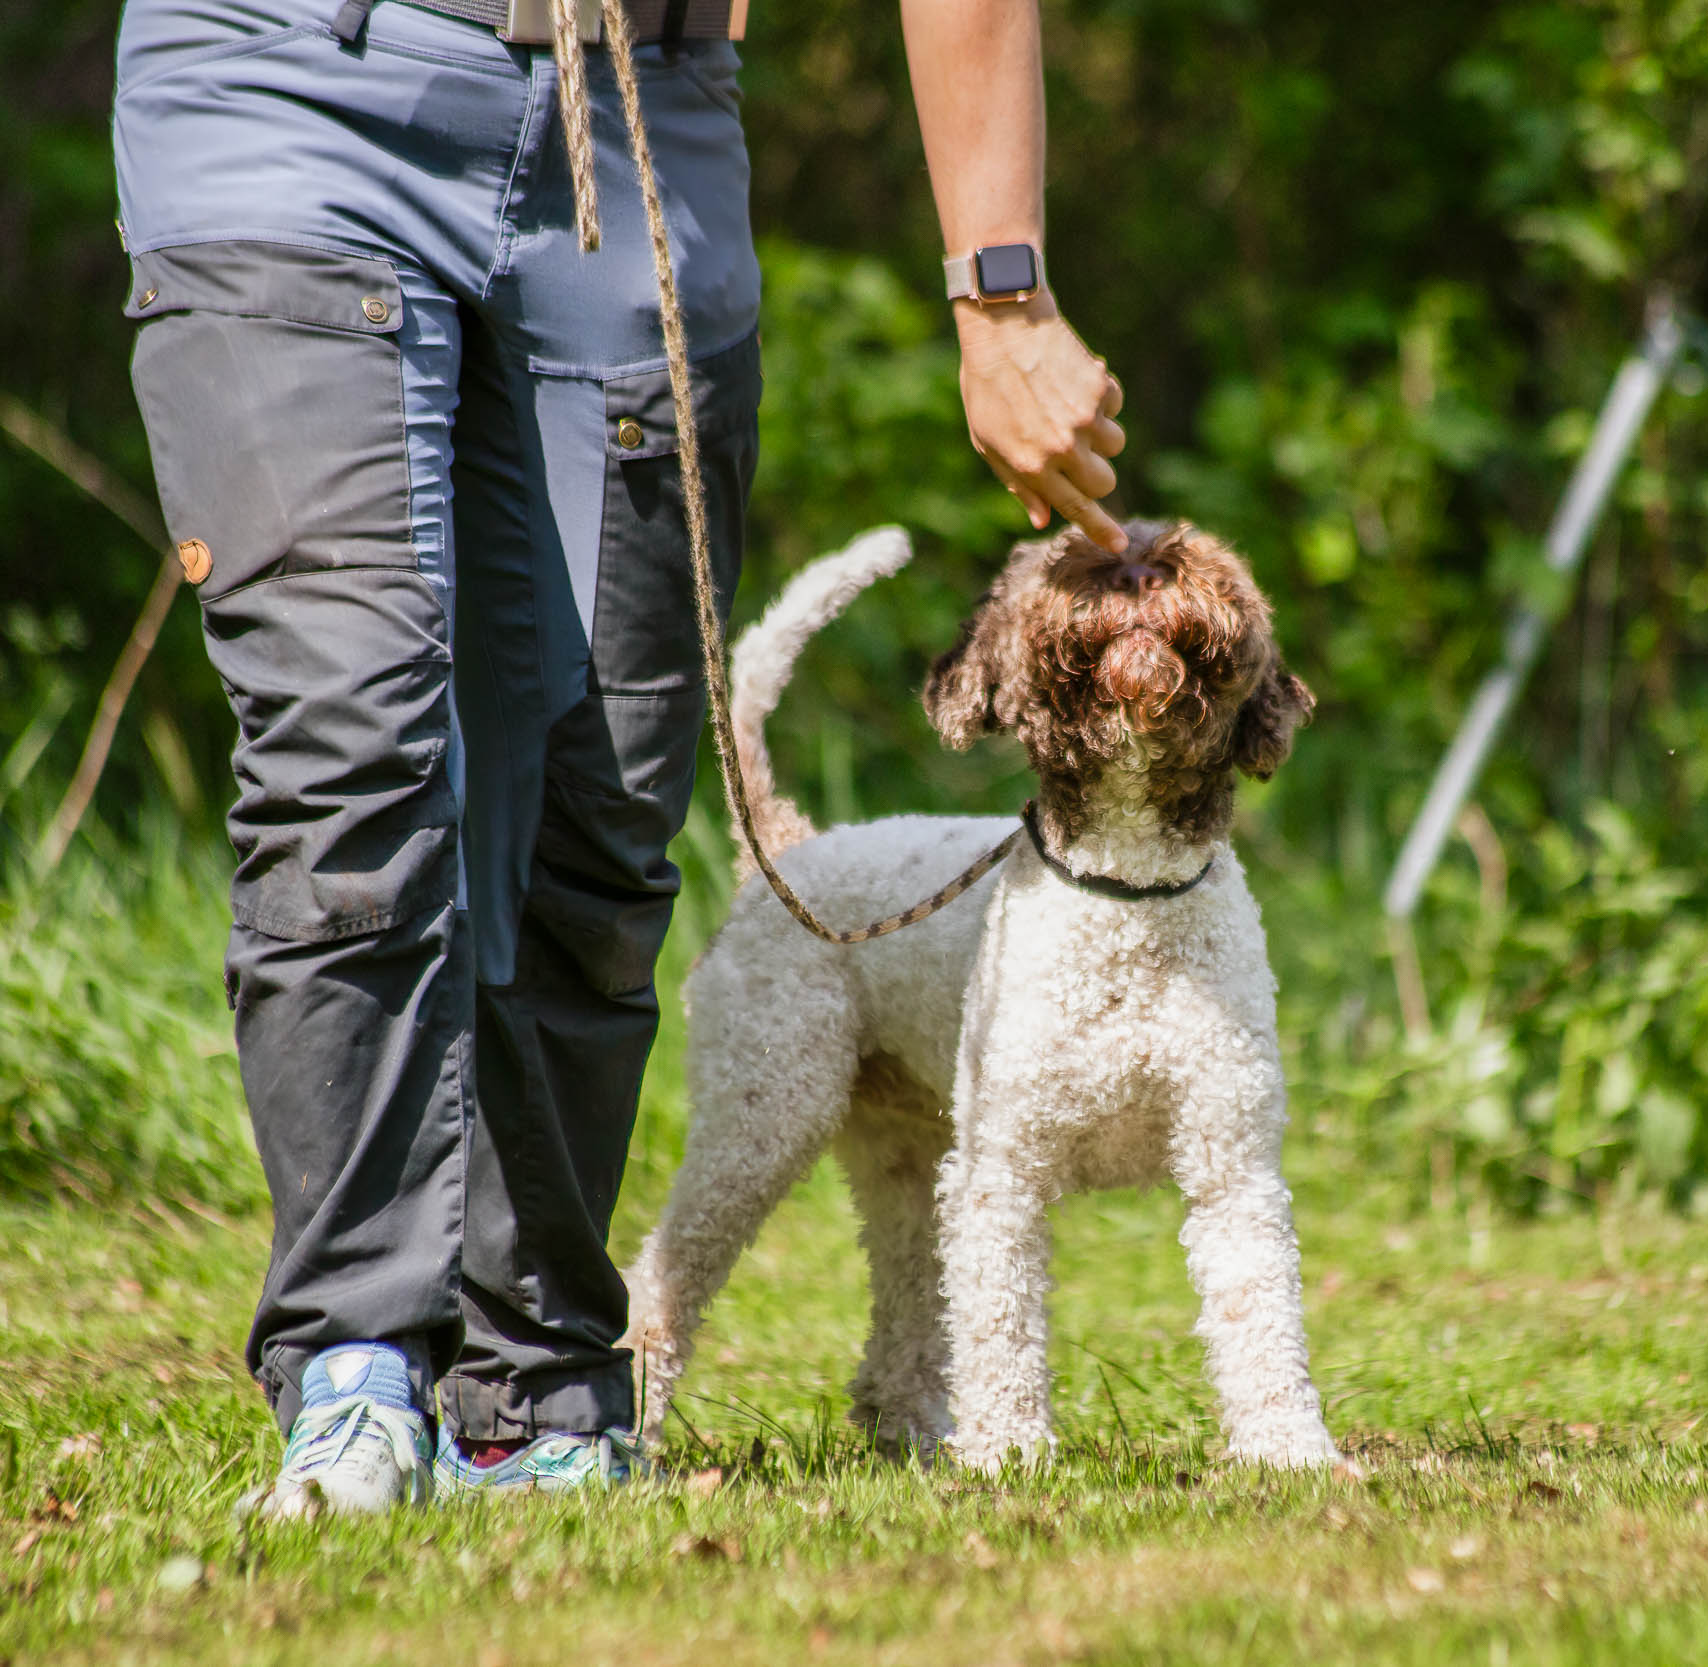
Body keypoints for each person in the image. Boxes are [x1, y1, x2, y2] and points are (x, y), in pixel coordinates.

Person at [112, 0, 1126, 1515]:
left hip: (631, 116)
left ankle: (533, 1387)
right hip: (287, 90)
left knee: (602, 795)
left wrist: (1002, 290)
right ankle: (358, 1369)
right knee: (354, 740)